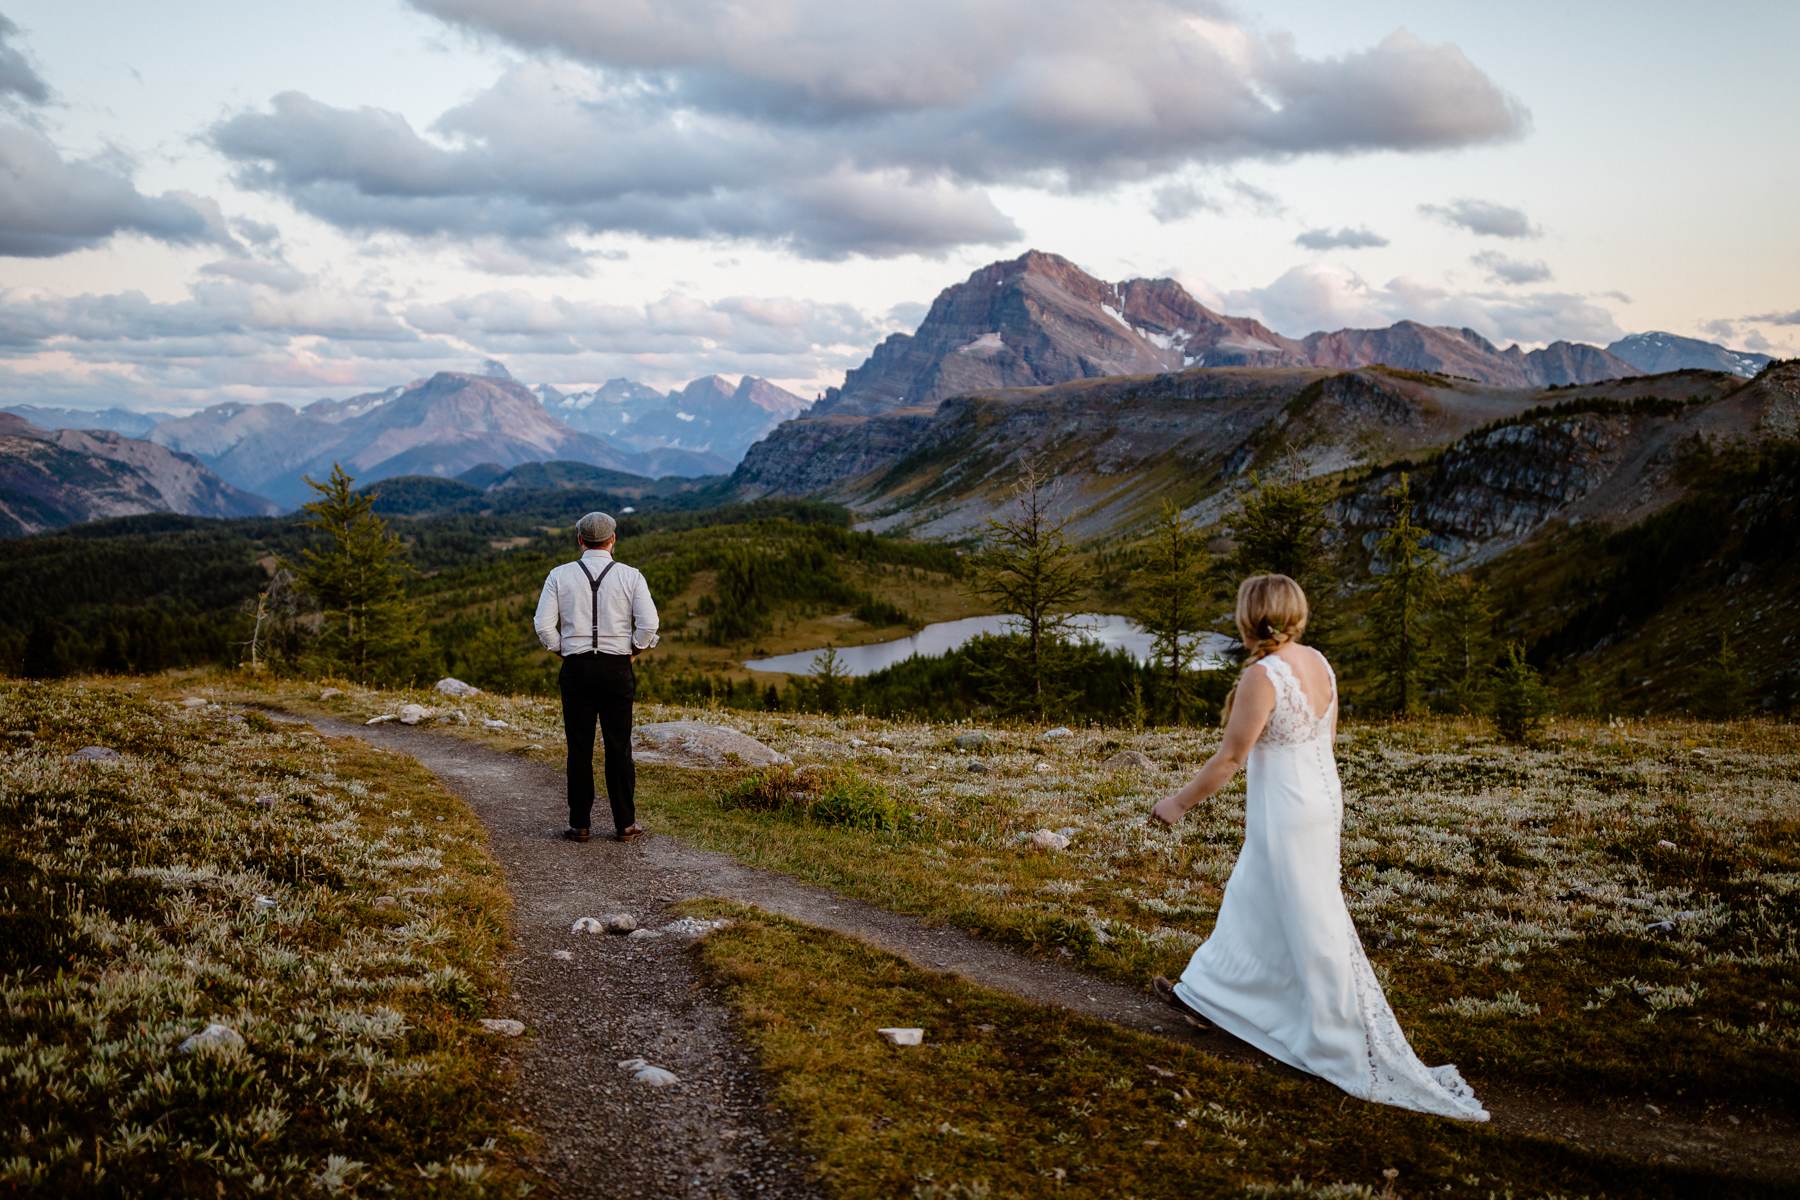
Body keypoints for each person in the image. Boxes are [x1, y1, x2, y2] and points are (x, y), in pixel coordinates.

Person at [1148, 574, 1488, 1122]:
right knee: (1258, 897)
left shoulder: (1264, 675)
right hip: (1321, 799)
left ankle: (1332, 1037)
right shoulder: (1319, 663)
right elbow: (1325, 742)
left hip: (1287, 808)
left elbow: (1232, 757)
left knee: (1307, 918)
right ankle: (1206, 995)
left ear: (1250, 615)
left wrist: (1178, 803)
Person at [534, 511, 659, 843]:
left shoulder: (559, 575)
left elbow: (543, 625)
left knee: (579, 748)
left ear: (579, 540)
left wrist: (563, 650)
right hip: (617, 667)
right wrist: (634, 650)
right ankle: (625, 824)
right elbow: (649, 624)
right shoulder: (631, 576)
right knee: (619, 746)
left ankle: (580, 824)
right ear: (613, 539)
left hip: (576, 669)